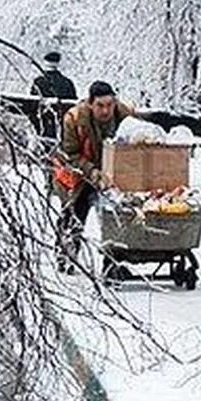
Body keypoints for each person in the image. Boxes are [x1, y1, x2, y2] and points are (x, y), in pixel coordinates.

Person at [53, 80, 144, 271]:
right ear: (90, 104)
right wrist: (93, 173)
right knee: (75, 213)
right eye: (100, 106)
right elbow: (70, 154)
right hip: (77, 174)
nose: (105, 111)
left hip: (112, 172)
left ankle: (113, 262)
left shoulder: (124, 115)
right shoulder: (74, 118)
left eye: (109, 105)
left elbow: (135, 141)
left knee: (115, 215)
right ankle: (66, 255)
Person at [30, 51, 77, 139]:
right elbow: (73, 105)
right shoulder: (67, 83)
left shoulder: (38, 82)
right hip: (62, 126)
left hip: (43, 126)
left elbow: (32, 105)